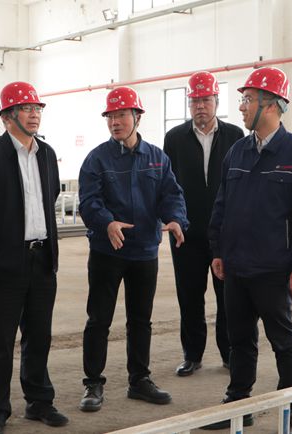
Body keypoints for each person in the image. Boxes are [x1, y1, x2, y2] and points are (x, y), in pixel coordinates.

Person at [204, 67, 292, 433]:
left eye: (248, 99)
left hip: (275, 269)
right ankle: (238, 404)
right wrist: (218, 250)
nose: (241, 107)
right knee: (240, 341)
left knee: (283, 342)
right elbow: (222, 205)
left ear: (272, 105)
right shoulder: (238, 152)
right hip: (237, 266)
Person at [0, 82, 68, 433]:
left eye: (37, 108)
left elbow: (50, 196)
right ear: (7, 117)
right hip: (2, 264)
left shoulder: (47, 154)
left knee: (39, 336)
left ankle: (39, 401)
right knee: (0, 341)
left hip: (41, 259)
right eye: (26, 108)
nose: (34, 114)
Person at [78, 86, 189, 412]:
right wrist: (107, 222)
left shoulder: (157, 158)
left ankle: (139, 379)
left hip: (144, 252)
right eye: (111, 116)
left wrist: (176, 219)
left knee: (141, 320)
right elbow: (89, 200)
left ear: (137, 117)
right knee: (99, 319)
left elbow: (171, 194)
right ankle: (93, 383)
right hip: (107, 251)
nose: (115, 122)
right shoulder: (97, 158)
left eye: (122, 115)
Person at [163, 71, 244, 376]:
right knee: (189, 297)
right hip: (186, 234)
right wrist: (171, 218)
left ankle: (229, 352)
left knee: (229, 297)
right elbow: (167, 184)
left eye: (205, 100)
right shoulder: (174, 138)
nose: (200, 106)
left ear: (216, 101)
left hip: (225, 234)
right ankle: (192, 354)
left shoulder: (235, 136)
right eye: (195, 100)